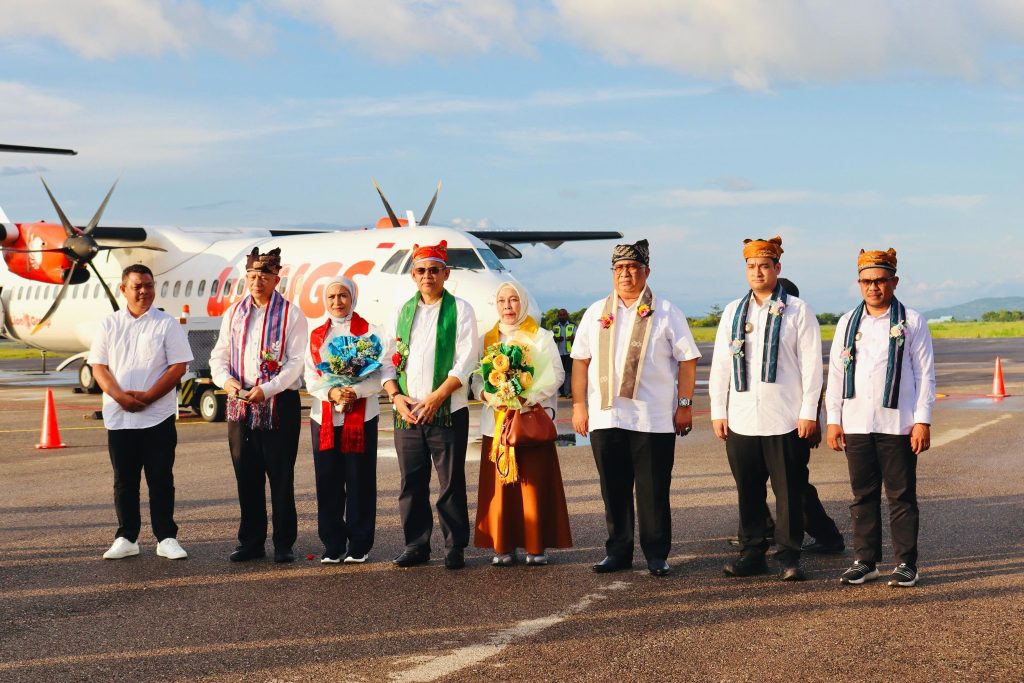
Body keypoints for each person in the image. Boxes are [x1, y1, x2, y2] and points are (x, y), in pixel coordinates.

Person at [571, 239, 700, 577]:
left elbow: (688, 361)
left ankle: (656, 553)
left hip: (653, 418)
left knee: (653, 488)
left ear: (646, 272)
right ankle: (618, 551)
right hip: (606, 415)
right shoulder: (596, 312)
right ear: (612, 273)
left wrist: (685, 404)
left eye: (632, 268)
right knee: (612, 488)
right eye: (619, 269)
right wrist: (580, 406)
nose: (625, 274)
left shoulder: (667, 311)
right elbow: (581, 361)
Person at [710, 237, 823, 581]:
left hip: (785, 417)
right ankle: (752, 552)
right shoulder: (733, 311)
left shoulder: (798, 310)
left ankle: (789, 556)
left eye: (763, 266)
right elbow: (721, 364)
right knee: (748, 490)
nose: (757, 272)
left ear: (777, 268)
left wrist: (808, 412)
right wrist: (719, 409)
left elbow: (812, 366)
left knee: (788, 491)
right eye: (751, 266)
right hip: (742, 417)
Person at [826, 248, 935, 587]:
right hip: (856, 421)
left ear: (894, 281)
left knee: (901, 496)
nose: (873, 287)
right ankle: (865, 560)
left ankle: (906, 563)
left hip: (898, 423)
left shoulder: (912, 321)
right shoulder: (847, 322)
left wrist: (922, 420)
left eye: (881, 280)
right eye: (866, 281)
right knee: (862, 495)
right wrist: (833, 419)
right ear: (859, 284)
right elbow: (834, 375)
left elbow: (925, 374)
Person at [726, 277, 845, 554]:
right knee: (755, 482)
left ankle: (827, 536)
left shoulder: (795, 315)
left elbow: (811, 378)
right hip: (754, 418)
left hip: (790, 420)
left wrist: (812, 420)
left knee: (793, 488)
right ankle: (761, 530)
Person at [381, 240, 479, 570]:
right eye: (421, 270)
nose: (428, 276)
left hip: (447, 410)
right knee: (411, 482)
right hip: (407, 412)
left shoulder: (461, 310)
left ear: (446, 273)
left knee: (450, 483)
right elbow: (387, 362)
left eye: (434, 270)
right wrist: (395, 396)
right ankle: (416, 544)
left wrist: (437, 397)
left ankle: (454, 546)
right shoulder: (401, 311)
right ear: (412, 275)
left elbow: (465, 362)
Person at [88, 264, 193, 561]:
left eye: (149, 285)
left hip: (157, 415)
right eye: (137, 286)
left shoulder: (166, 323)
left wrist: (148, 397)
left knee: (160, 478)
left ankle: (166, 537)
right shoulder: (109, 324)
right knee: (124, 480)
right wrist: (120, 396)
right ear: (123, 289)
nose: (144, 291)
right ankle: (126, 536)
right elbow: (99, 366)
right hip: (120, 417)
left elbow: (178, 367)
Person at [210, 247, 308, 563]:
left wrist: (268, 389)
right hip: (241, 403)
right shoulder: (233, 313)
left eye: (264, 276)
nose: (257, 281)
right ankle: (251, 541)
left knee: (280, 475)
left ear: (276, 278)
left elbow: (296, 363)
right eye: (252, 275)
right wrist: (226, 382)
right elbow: (219, 356)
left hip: (278, 403)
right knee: (246, 474)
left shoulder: (292, 314)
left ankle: (283, 542)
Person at [474, 282, 573, 566]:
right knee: (500, 487)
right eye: (502, 300)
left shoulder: (540, 336)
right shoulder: (486, 338)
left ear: (524, 303)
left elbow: (555, 374)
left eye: (514, 299)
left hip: (529, 421)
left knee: (532, 484)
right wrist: (489, 395)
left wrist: (525, 397)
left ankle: (535, 545)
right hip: (496, 422)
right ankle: (503, 546)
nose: (507, 306)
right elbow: (475, 377)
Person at [304, 277, 382, 564]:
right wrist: (334, 392)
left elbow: (380, 375)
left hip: (363, 417)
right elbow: (311, 378)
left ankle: (360, 544)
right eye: (332, 296)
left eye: (343, 296)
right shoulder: (316, 336)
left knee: (360, 480)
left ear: (353, 298)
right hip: (324, 418)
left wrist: (355, 391)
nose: (337, 302)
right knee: (328, 482)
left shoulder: (370, 333)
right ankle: (333, 544)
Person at [550, 308, 576, 398]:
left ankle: (567, 392)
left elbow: (578, 338)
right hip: (558, 354)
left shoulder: (573, 326)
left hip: (569, 353)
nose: (562, 316)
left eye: (563, 314)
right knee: (560, 372)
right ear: (558, 316)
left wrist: (573, 338)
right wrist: (555, 339)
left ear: (567, 315)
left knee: (568, 373)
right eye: (560, 315)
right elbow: (550, 340)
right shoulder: (554, 327)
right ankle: (561, 392)